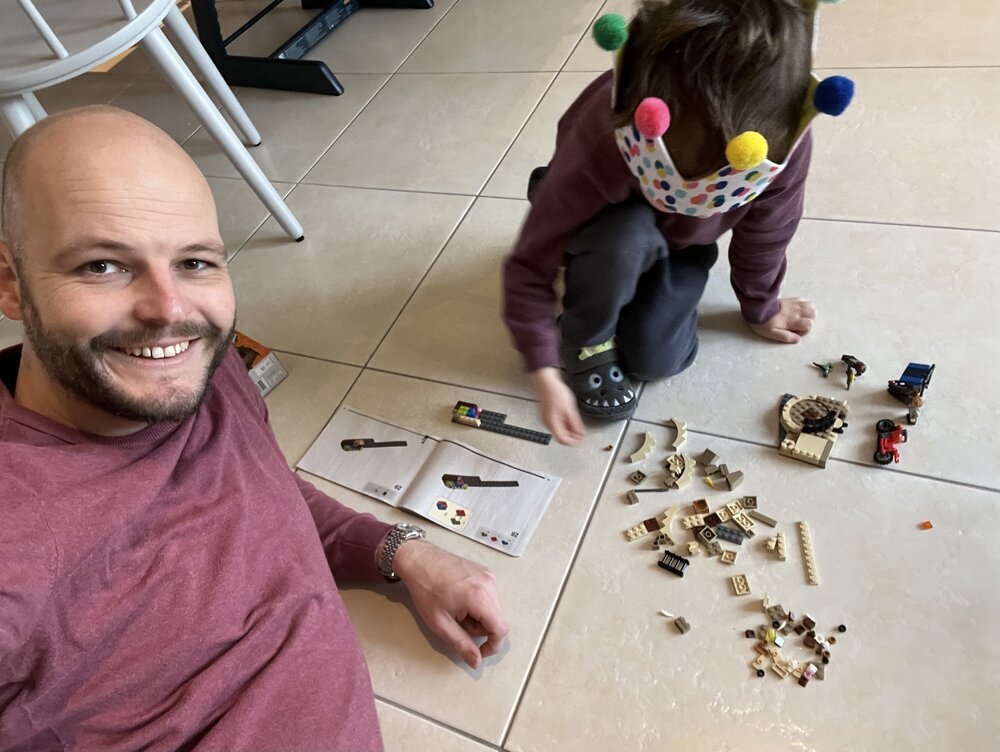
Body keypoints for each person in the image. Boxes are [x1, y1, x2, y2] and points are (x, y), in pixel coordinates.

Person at [0, 106, 508, 751]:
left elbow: (261, 491)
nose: (172, 312)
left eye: (195, 262)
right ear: (11, 285)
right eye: (102, 265)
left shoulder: (203, 373)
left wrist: (401, 551)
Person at [503, 0, 853, 445]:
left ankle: (644, 270)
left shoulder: (784, 145)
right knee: (623, 238)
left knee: (657, 359)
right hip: (601, 218)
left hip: (684, 246)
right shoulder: (604, 132)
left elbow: (767, 234)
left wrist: (760, 306)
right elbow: (528, 265)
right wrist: (543, 367)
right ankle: (587, 333)